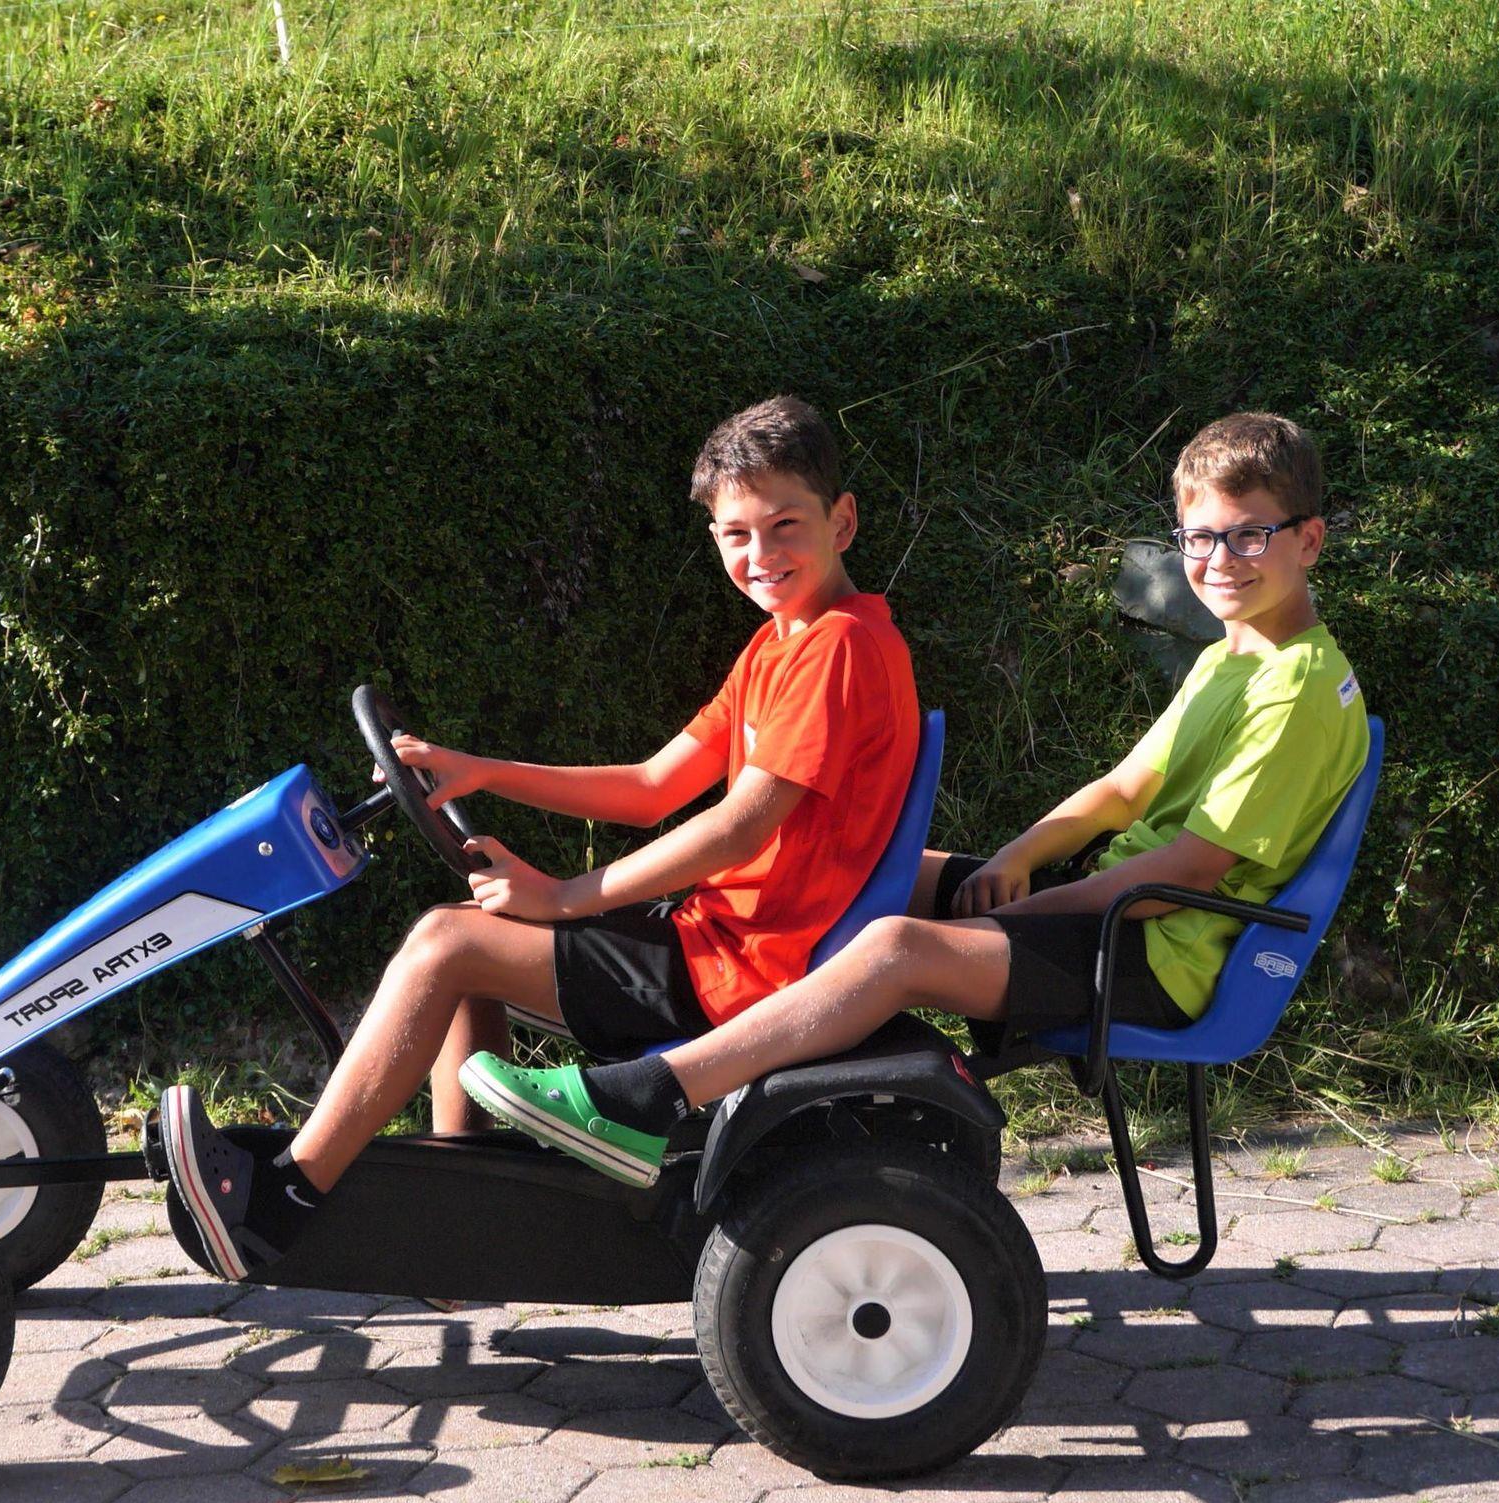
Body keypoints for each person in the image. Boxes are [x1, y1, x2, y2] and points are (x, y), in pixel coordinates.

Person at [465, 411, 1370, 1182]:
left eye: (1249, 536)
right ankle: (774, 1005)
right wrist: (1015, 859)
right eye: (1199, 538)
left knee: (894, 946)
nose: (1220, 560)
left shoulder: (1295, 687)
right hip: (1136, 922)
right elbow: (1121, 791)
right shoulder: (1236, 658)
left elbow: (1193, 869)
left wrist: (1024, 913)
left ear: (1309, 540)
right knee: (899, 872)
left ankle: (647, 1097)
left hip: (1165, 958)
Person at [156, 396, 921, 1275]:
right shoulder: (781, 647)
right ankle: (455, 1233)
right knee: (468, 939)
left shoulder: (838, 648)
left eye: (785, 526)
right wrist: (481, 770)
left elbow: (738, 826)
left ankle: (278, 1205)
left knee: (446, 944)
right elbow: (651, 787)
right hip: (719, 942)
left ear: (842, 521)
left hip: (743, 969)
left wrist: (564, 897)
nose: (761, 555)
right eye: (736, 535)